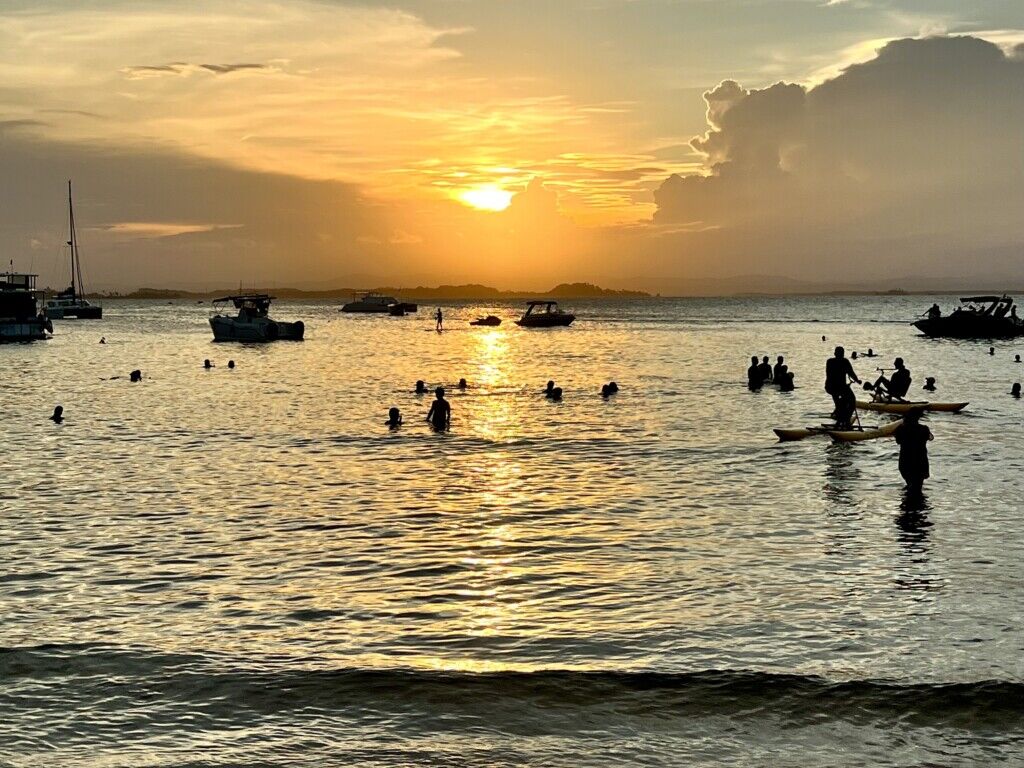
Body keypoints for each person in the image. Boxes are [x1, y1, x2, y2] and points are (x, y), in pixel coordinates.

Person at [894, 408, 933, 492]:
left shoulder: (901, 429)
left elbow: (898, 441)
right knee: (918, 488)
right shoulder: (924, 429)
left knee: (910, 486)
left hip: (906, 461)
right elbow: (930, 438)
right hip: (920, 462)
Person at [824, 346, 860, 428]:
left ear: (835, 354)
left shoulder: (830, 361)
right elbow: (851, 373)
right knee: (851, 402)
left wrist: (857, 380)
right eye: (841, 354)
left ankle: (841, 420)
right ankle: (845, 421)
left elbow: (850, 373)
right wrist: (857, 381)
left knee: (841, 404)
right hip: (836, 387)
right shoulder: (844, 361)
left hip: (831, 387)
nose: (841, 355)